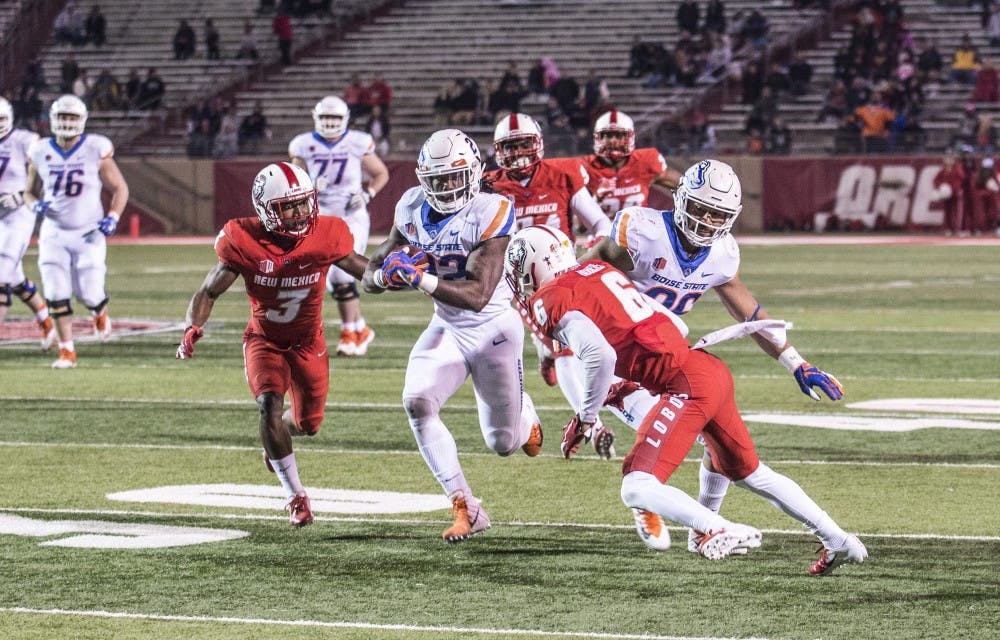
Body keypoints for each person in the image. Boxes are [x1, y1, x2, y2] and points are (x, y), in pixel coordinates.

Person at [505, 224, 867, 574]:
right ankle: (838, 539)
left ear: (534, 267)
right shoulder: (596, 269)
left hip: (685, 385)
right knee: (751, 473)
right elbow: (674, 325)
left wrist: (586, 418)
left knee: (636, 484)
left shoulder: (549, 297)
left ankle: (716, 526)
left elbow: (601, 356)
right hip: (707, 370)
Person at [578, 159, 845, 552]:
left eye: (716, 214)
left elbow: (749, 312)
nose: (705, 221)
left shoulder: (722, 253)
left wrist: (795, 361)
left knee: (710, 437)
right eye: (700, 208)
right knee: (661, 455)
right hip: (617, 361)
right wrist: (563, 342)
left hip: (664, 360)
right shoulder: (641, 231)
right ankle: (670, 510)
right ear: (679, 199)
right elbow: (578, 278)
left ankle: (698, 528)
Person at [359, 129, 543, 544]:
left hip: (494, 330)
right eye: (436, 181)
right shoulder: (410, 206)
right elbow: (373, 268)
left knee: (504, 442)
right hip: (447, 326)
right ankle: (465, 505)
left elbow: (478, 295)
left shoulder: (492, 209)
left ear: (473, 174)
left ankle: (526, 416)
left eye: (452, 179)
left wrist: (418, 278)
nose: (444, 189)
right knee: (417, 401)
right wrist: (382, 275)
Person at [176, 162, 370, 527]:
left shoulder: (327, 234)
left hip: (308, 341)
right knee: (268, 404)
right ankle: (295, 495)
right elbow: (208, 290)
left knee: (308, 424)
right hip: (264, 340)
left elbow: (366, 270)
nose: (299, 214)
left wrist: (399, 272)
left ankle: (278, 436)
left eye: (303, 204)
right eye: (288, 207)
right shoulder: (243, 239)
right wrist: (193, 327)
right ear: (266, 209)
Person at [484, 113, 614, 453]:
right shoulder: (489, 184)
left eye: (523, 143)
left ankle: (548, 357)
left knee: (572, 343)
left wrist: (593, 248)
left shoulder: (562, 174)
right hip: (521, 282)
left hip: (565, 274)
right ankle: (594, 424)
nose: (518, 152)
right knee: (564, 347)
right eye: (510, 146)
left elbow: (600, 223)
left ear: (538, 143)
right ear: (498, 150)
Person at [23, 95, 129, 368]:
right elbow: (29, 193)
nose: (67, 122)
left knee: (89, 294)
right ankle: (66, 350)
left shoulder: (95, 148)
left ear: (81, 120)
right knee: (56, 291)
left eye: (72, 117)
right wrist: (35, 206)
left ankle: (99, 312)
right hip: (54, 233)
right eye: (62, 117)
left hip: (88, 233)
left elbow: (120, 188)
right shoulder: (40, 150)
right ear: (53, 119)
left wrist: (113, 217)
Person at [288, 96, 389, 356]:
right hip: (317, 216)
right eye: (325, 118)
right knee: (328, 278)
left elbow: (381, 173)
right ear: (316, 118)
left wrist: (367, 194)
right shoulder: (303, 144)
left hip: (350, 216)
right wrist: (309, 186)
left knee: (342, 274)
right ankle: (360, 328)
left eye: (334, 118)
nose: (330, 123)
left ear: (345, 119)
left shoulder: (357, 142)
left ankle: (349, 333)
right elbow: (293, 181)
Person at [0, 97, 56, 349]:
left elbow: (46, 171)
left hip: (18, 214)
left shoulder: (24, 140)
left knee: (1, 273)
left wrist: (23, 193)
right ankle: (46, 321)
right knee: (15, 277)